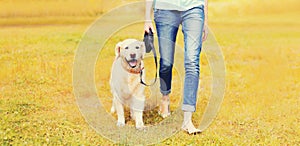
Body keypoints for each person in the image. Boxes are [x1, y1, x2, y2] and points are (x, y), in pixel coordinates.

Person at [144, 0, 208, 134]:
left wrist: (205, 19)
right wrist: (147, 18)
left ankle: (187, 120)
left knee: (192, 62)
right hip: (164, 9)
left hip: (194, 8)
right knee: (166, 63)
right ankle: (165, 98)